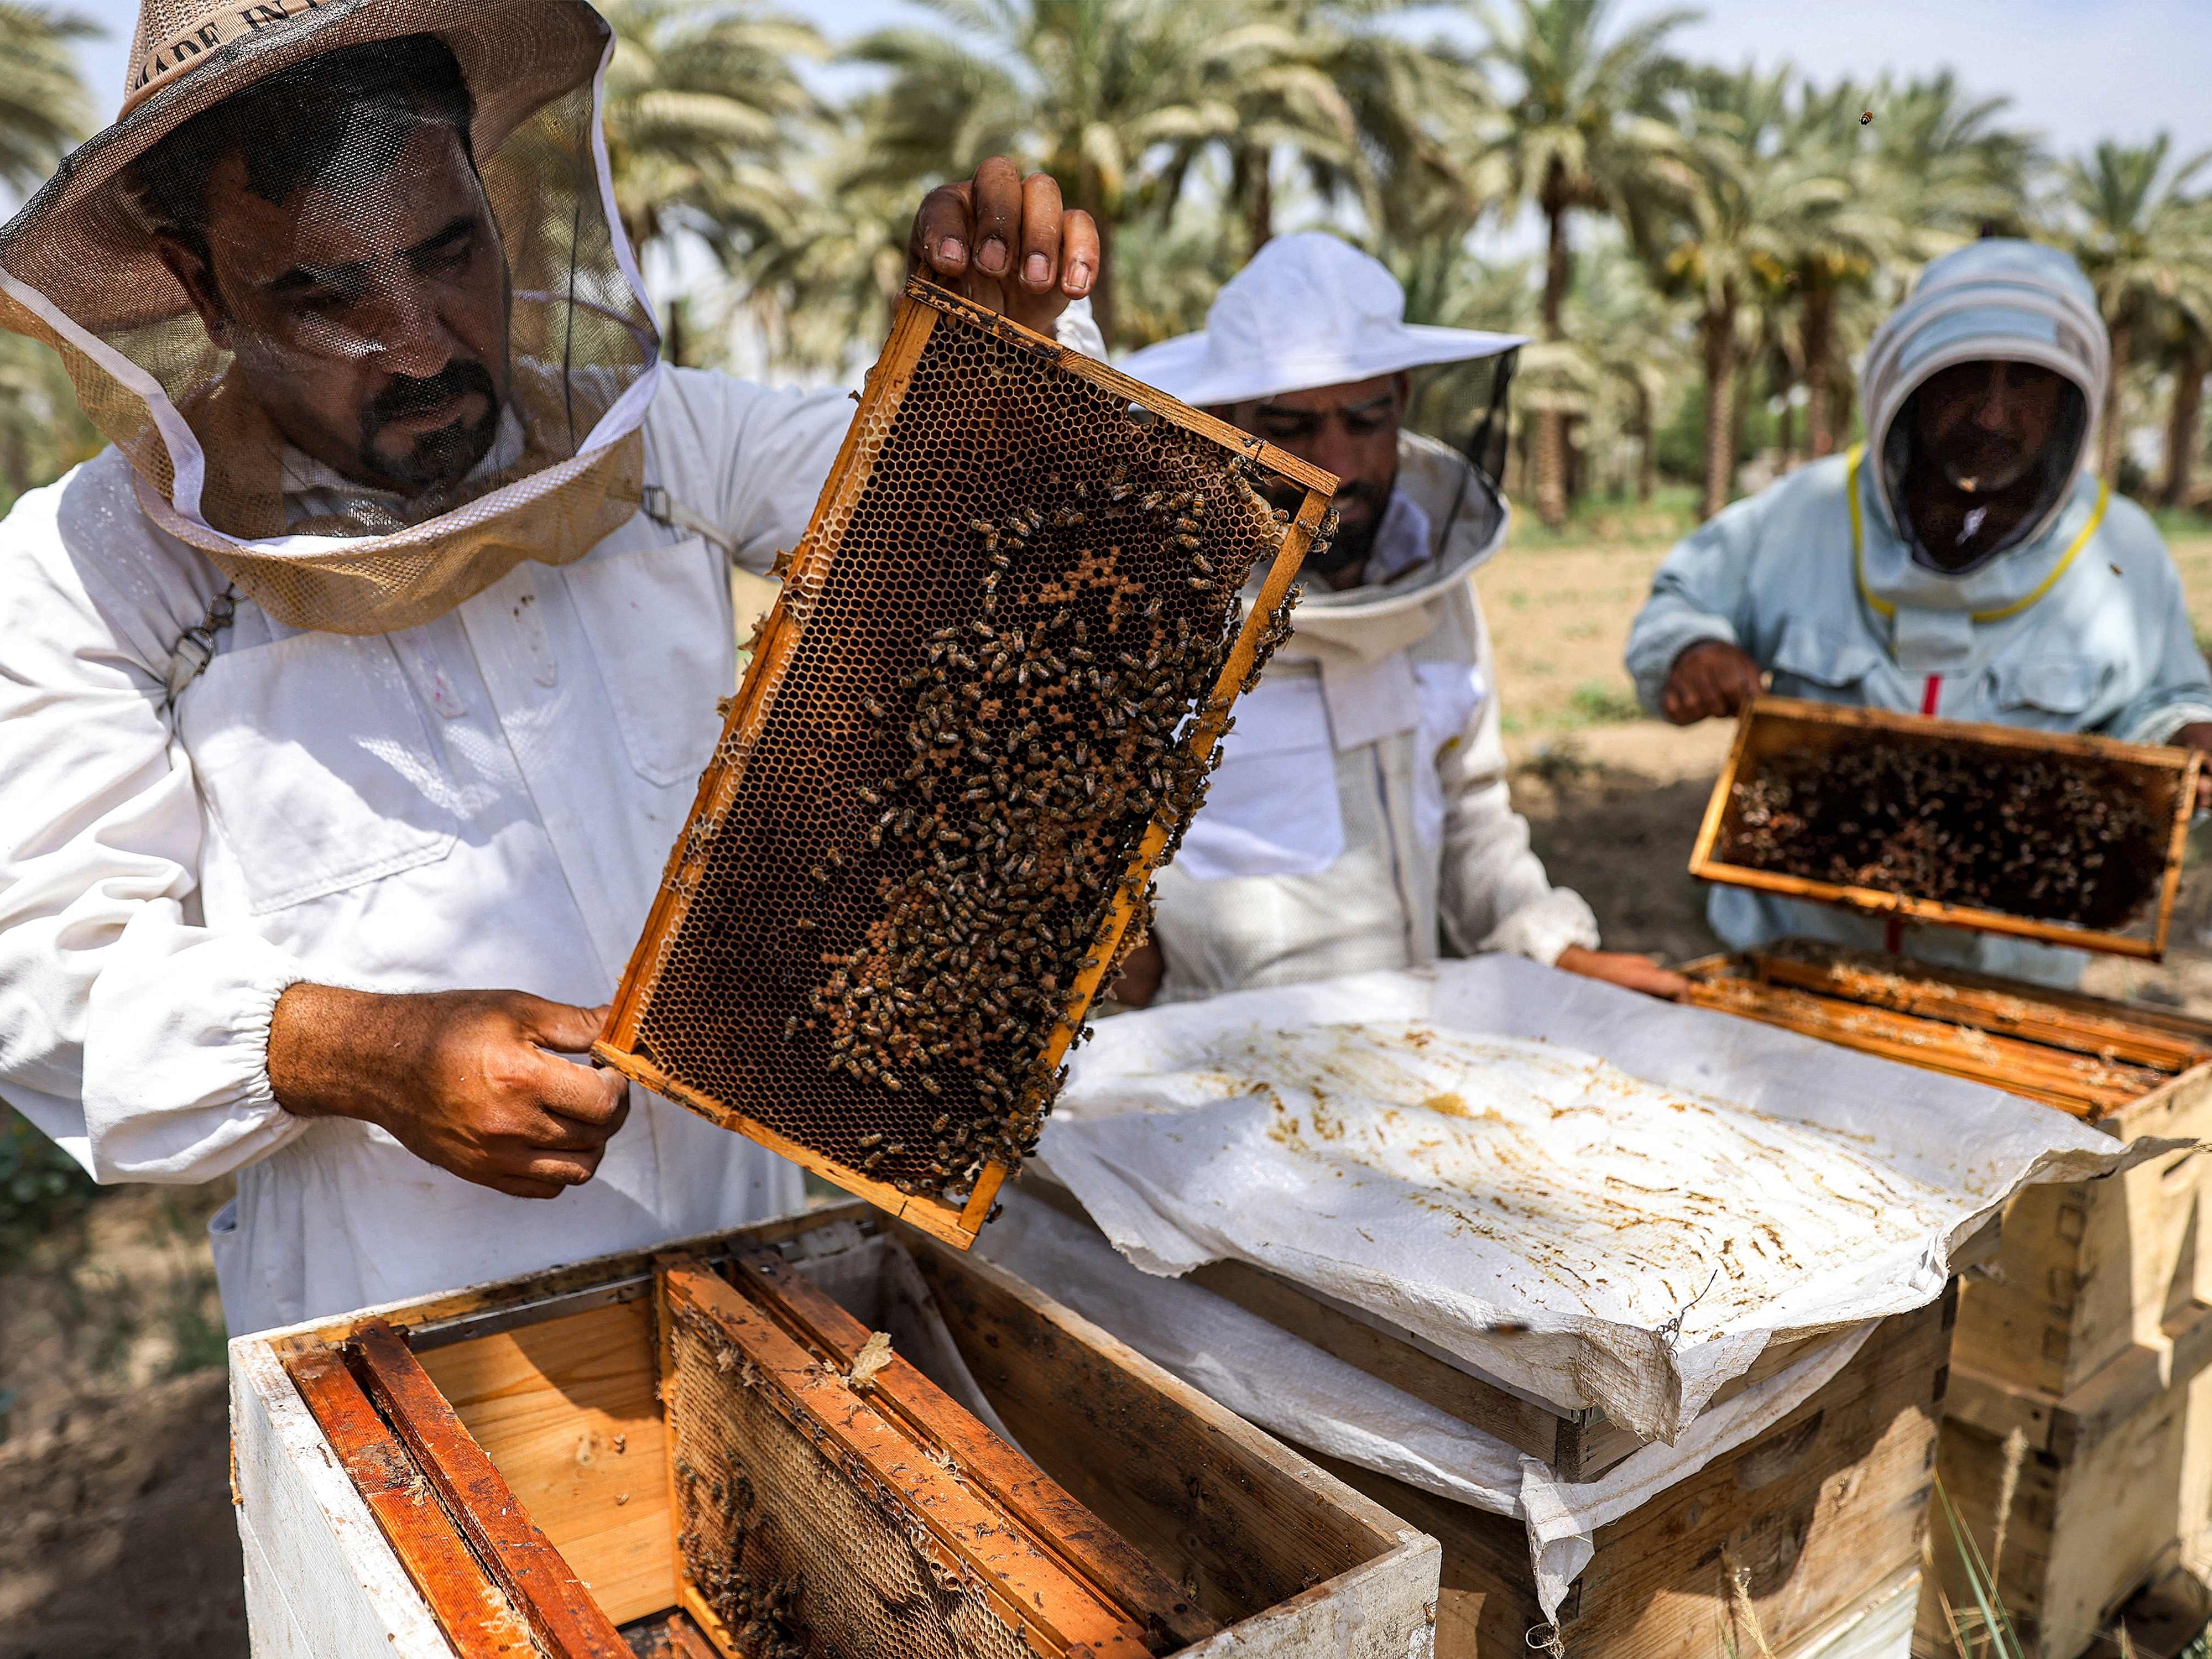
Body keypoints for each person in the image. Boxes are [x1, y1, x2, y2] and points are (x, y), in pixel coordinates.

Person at [0, 0, 1102, 1333]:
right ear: (197, 284)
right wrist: (354, 1051)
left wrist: (1004, 366)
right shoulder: (93, 574)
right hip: (411, 1334)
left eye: (448, 253)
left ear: (496, 192)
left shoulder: (660, 442)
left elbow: (1022, 543)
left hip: (786, 1270)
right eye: (323, 292)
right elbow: (53, 980)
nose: (416, 345)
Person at [1109, 233, 1686, 1007]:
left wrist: (1554, 950)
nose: (1338, 465)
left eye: (1366, 418)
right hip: (1211, 1082)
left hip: (1412, 1067)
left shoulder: (1434, 585)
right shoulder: (1149, 612)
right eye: (1292, 427)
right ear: (1225, 421)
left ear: (1403, 402)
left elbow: (1469, 815)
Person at [1626, 239, 2212, 985]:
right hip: (1794, 959)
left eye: (2027, 381)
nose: (1994, 414)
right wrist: (1691, 652)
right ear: (1909, 381)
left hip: (2011, 980)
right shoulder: (1804, 511)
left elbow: (2164, 700)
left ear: (2069, 399)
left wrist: (2184, 740)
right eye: (1966, 376)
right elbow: (1679, 604)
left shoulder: (2122, 544)